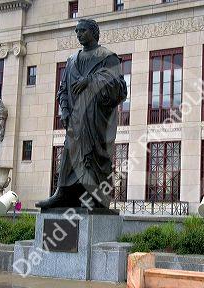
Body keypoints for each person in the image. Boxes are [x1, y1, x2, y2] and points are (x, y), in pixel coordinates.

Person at [35, 19, 127, 209]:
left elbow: (119, 88)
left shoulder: (107, 57)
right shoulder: (71, 61)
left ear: (93, 32)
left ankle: (95, 197)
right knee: (69, 154)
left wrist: (91, 80)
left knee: (94, 157)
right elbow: (62, 91)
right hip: (75, 120)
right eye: (76, 31)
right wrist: (65, 110)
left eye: (82, 31)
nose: (78, 34)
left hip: (96, 120)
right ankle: (63, 193)